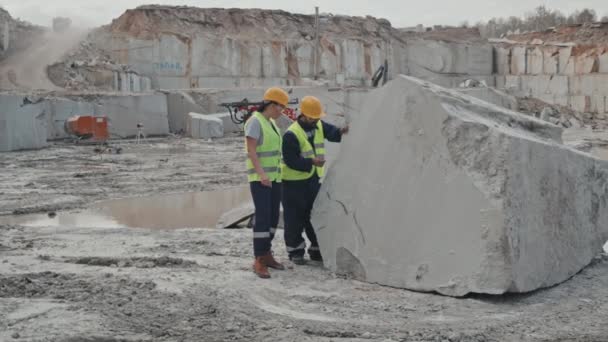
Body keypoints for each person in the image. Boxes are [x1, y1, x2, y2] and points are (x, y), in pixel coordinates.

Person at [281, 96, 348, 265]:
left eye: (318, 117)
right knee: (294, 219)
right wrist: (311, 162)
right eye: (313, 117)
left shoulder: (318, 125)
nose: (316, 120)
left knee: (315, 215)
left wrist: (342, 131)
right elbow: (291, 160)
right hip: (293, 183)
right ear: (303, 115)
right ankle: (295, 251)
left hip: (312, 181)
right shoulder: (292, 134)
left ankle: (317, 250)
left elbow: (333, 133)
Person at [245, 87, 289, 278]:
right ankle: (259, 259)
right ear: (271, 104)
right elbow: (251, 151)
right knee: (262, 218)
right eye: (281, 107)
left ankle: (267, 253)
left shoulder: (270, 123)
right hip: (261, 179)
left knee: (272, 218)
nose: (282, 111)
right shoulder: (255, 121)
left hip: (275, 179)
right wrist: (262, 174)